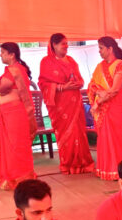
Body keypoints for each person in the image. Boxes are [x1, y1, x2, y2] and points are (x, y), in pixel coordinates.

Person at [0, 43, 37, 190]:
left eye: (2, 52)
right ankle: (20, 176)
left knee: (16, 146)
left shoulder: (14, 70)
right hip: (10, 114)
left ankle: (18, 178)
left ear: (12, 54)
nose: (0, 55)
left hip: (15, 114)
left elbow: (0, 88)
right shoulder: (15, 69)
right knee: (12, 145)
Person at [38, 33, 94, 175]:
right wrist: (63, 87)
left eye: (67, 43)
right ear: (54, 45)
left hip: (75, 102)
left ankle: (83, 163)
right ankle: (68, 163)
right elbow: (43, 84)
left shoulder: (71, 61)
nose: (66, 46)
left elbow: (81, 80)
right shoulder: (46, 62)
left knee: (78, 132)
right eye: (63, 44)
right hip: (60, 105)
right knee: (65, 134)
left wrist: (77, 83)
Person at [88, 36, 122, 180]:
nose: (99, 51)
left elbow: (115, 90)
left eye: (101, 48)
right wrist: (99, 92)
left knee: (116, 139)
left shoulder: (120, 65)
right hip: (103, 109)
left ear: (110, 49)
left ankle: (119, 171)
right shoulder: (100, 66)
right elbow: (92, 84)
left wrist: (97, 103)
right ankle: (106, 170)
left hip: (116, 108)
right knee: (105, 139)